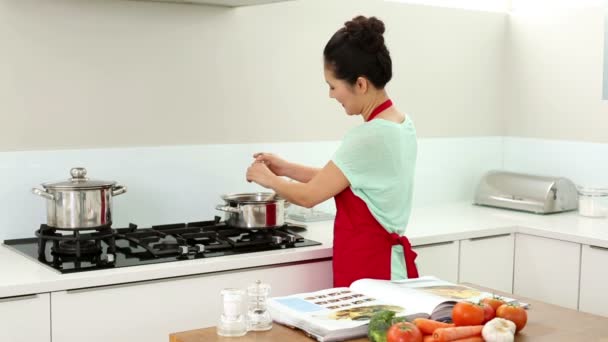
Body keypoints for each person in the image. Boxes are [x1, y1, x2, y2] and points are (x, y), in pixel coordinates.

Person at [246, 15, 418, 287]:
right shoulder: (401, 124)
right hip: (386, 268)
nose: (331, 95)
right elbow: (349, 179)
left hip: (371, 273)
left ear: (360, 84)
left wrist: (266, 178)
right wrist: (286, 167)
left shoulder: (369, 135)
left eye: (333, 86)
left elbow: (308, 197)